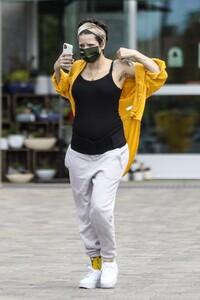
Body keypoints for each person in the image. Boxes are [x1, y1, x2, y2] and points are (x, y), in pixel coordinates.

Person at [52, 18, 168, 289]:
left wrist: (136, 54)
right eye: (81, 45)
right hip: (79, 151)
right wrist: (58, 68)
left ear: (103, 44)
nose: (85, 49)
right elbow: (62, 87)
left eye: (90, 45)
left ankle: (111, 261)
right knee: (84, 214)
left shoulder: (121, 68)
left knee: (100, 209)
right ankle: (94, 265)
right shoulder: (77, 67)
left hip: (111, 151)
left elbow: (157, 75)